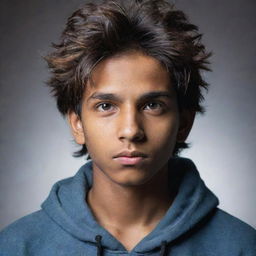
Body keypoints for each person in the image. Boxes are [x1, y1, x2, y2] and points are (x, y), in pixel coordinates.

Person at [0, 0, 255, 255]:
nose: (131, 130)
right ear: (77, 124)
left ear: (184, 123)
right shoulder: (18, 245)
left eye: (152, 105)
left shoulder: (241, 246)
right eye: (106, 106)